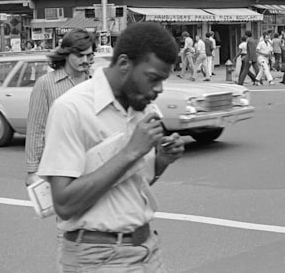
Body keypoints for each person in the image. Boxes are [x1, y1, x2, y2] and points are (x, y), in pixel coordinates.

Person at [37, 22, 185, 272]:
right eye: (153, 78)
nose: (159, 89)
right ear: (125, 63)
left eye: (163, 80)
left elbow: (135, 185)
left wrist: (161, 161)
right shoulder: (72, 109)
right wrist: (131, 151)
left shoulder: (142, 107)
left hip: (147, 249)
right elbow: (64, 204)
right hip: (98, 258)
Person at [25, 29, 96, 186]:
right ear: (66, 54)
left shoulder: (96, 82)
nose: (85, 60)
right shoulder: (45, 84)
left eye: (89, 56)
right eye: (79, 55)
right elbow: (36, 129)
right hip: (58, 169)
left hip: (92, 166)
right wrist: (32, 171)